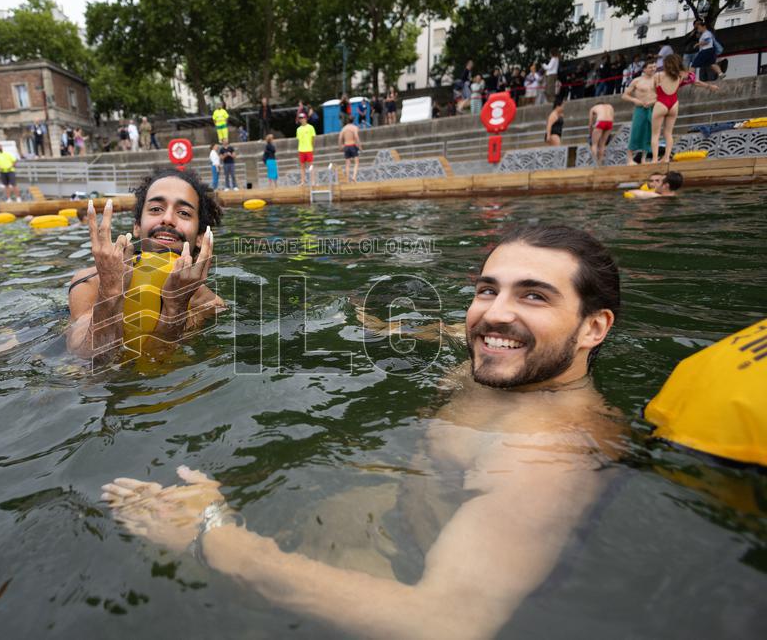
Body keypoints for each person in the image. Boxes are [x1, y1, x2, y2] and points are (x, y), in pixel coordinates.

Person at [103, 225, 624, 640]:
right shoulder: (501, 369)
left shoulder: (551, 451)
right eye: (488, 290)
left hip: (402, 578)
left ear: (593, 328)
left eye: (534, 296)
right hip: (397, 523)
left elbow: (443, 622)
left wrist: (212, 536)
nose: (495, 314)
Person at [65, 168, 225, 360]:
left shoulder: (208, 304)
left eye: (183, 212)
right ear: (137, 227)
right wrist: (110, 292)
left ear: (200, 236)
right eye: (156, 209)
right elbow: (90, 367)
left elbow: (154, 368)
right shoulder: (90, 283)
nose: (167, 219)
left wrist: (175, 307)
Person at [651, 54, 719, 164]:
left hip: (661, 103)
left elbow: (652, 90)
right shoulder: (682, 75)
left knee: (655, 134)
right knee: (668, 133)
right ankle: (667, 157)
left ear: (666, 64)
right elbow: (696, 82)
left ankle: (654, 160)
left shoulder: (658, 75)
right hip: (673, 104)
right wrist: (710, 86)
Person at [623, 59, 657, 165]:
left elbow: (662, 95)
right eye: (650, 67)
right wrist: (634, 100)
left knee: (649, 133)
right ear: (644, 69)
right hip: (640, 108)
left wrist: (652, 101)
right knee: (636, 131)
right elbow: (624, 95)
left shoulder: (657, 80)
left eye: (654, 67)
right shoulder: (637, 81)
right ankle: (629, 158)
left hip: (653, 108)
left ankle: (643, 158)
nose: (653, 69)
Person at [337, 117, 361, 182]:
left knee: (347, 163)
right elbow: (356, 136)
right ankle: (354, 177)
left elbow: (340, 138)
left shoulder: (343, 128)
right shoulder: (354, 127)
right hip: (352, 145)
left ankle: (347, 179)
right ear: (353, 120)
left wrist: (340, 147)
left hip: (346, 146)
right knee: (356, 162)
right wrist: (359, 145)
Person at [295, 112, 316, 186]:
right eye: (300, 118)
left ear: (306, 118)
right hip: (301, 150)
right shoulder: (298, 129)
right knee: (302, 167)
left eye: (302, 118)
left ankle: (313, 181)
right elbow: (299, 139)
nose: (301, 120)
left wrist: (312, 147)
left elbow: (313, 138)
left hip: (309, 149)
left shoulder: (310, 127)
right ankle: (303, 181)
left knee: (311, 166)